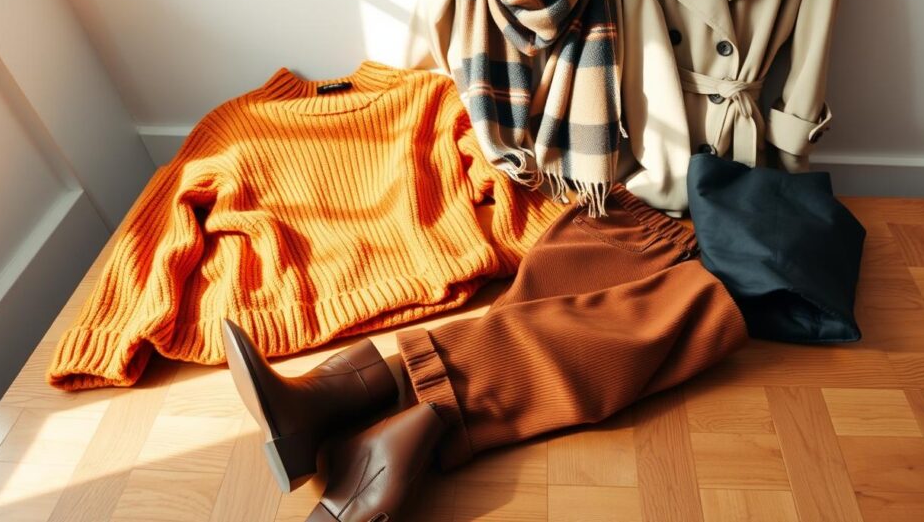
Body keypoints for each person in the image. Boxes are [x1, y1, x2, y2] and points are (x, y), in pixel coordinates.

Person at [221, 186, 748, 521]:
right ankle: (350, 453)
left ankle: (333, 414)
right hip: (641, 218)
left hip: (672, 230)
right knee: (552, 313)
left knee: (582, 333)